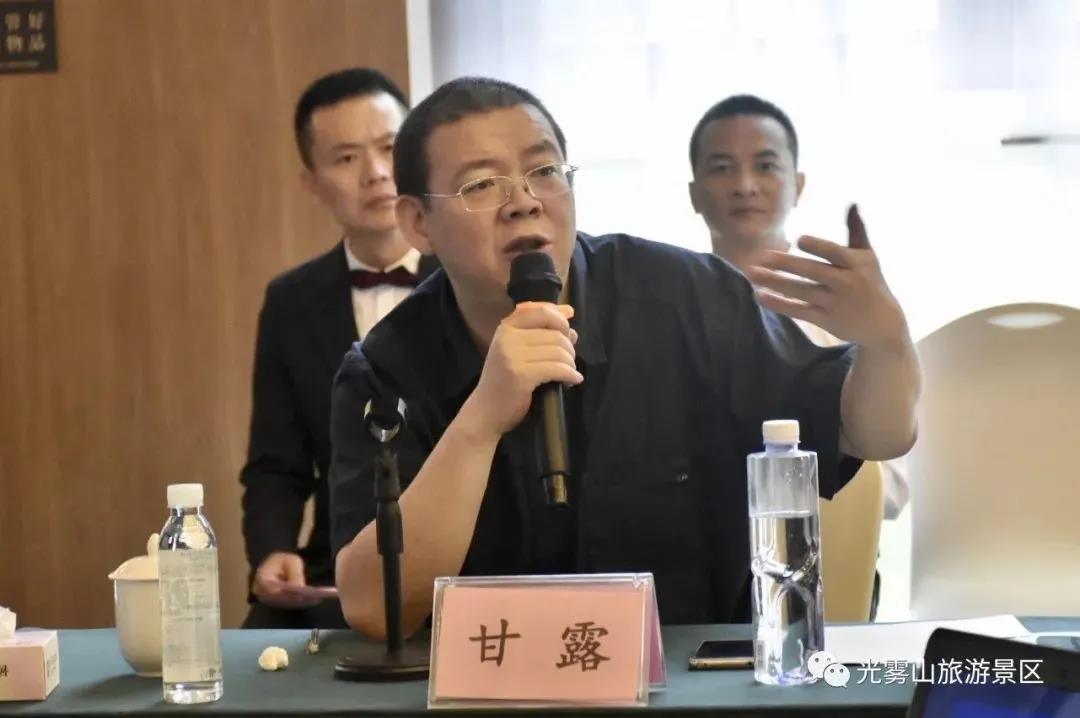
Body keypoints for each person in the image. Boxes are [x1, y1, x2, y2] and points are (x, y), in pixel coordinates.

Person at [328, 77, 920, 639]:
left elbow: (874, 433)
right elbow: (376, 611)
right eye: (481, 185)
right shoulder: (387, 368)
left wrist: (887, 347)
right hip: (489, 683)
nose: (524, 202)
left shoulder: (687, 297)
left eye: (544, 171)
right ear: (418, 223)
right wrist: (480, 420)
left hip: (690, 681)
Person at [239, 68, 437, 629]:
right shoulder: (291, 301)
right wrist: (273, 548)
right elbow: (276, 462)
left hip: (468, 556)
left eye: (389, 148)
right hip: (340, 565)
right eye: (347, 158)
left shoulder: (471, 279)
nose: (375, 173)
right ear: (312, 182)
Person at [687, 93, 909, 521]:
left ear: (798, 185)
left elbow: (892, 487)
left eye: (766, 165)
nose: (745, 185)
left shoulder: (845, 307)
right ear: (694, 194)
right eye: (722, 168)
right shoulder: (672, 311)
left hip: (819, 546)